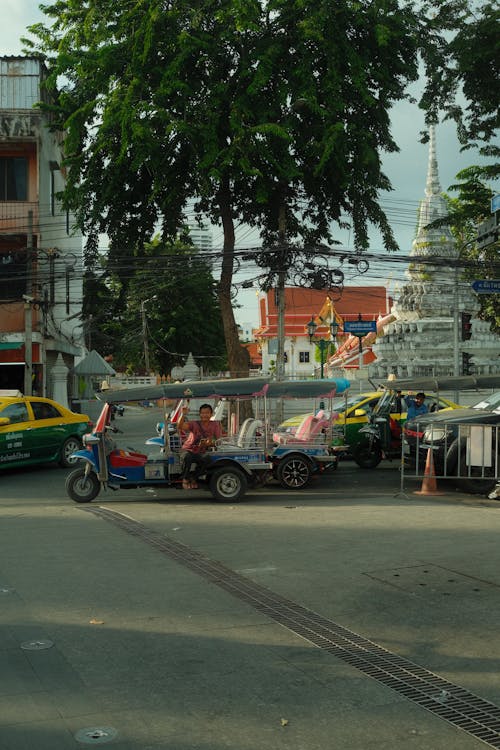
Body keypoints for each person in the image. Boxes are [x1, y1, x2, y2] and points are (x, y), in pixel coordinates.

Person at [177, 403, 222, 489]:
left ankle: (193, 478)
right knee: (188, 457)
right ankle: (185, 479)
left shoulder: (215, 425)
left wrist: (210, 443)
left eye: (207, 413)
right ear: (200, 414)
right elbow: (180, 426)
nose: (205, 415)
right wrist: (183, 414)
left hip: (201, 451)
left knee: (208, 460)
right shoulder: (194, 424)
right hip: (188, 449)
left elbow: (218, 441)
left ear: (211, 414)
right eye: (203, 413)